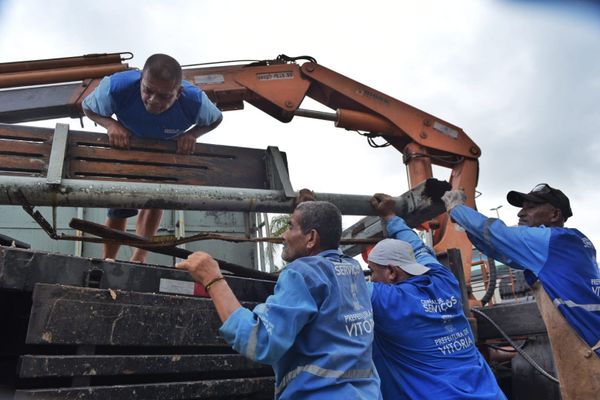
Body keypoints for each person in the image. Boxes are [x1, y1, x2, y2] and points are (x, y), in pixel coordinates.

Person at [176, 200, 382, 400]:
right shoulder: (353, 271)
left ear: (311, 238)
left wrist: (212, 279)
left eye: (290, 227)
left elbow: (258, 340)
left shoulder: (304, 273)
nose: (283, 235)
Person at [442, 183, 600, 399]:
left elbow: (498, 233)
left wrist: (457, 208)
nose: (521, 212)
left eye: (531, 207)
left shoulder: (551, 240)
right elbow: (498, 247)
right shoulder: (569, 242)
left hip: (589, 352)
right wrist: (465, 223)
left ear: (555, 214)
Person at [82, 53, 222, 263]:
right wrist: (111, 125)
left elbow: (216, 118)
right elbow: (88, 107)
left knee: (156, 199)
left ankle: (139, 258)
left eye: (165, 96)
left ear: (179, 92)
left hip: (163, 154)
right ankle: (108, 260)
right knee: (119, 204)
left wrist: (192, 135)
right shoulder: (117, 86)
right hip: (128, 148)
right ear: (141, 81)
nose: (154, 101)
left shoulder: (195, 100)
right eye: (148, 91)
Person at [369, 193, 506, 400]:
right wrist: (391, 217)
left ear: (391, 272)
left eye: (372, 272)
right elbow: (418, 248)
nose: (371, 279)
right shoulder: (444, 280)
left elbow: (334, 279)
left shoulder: (387, 300)